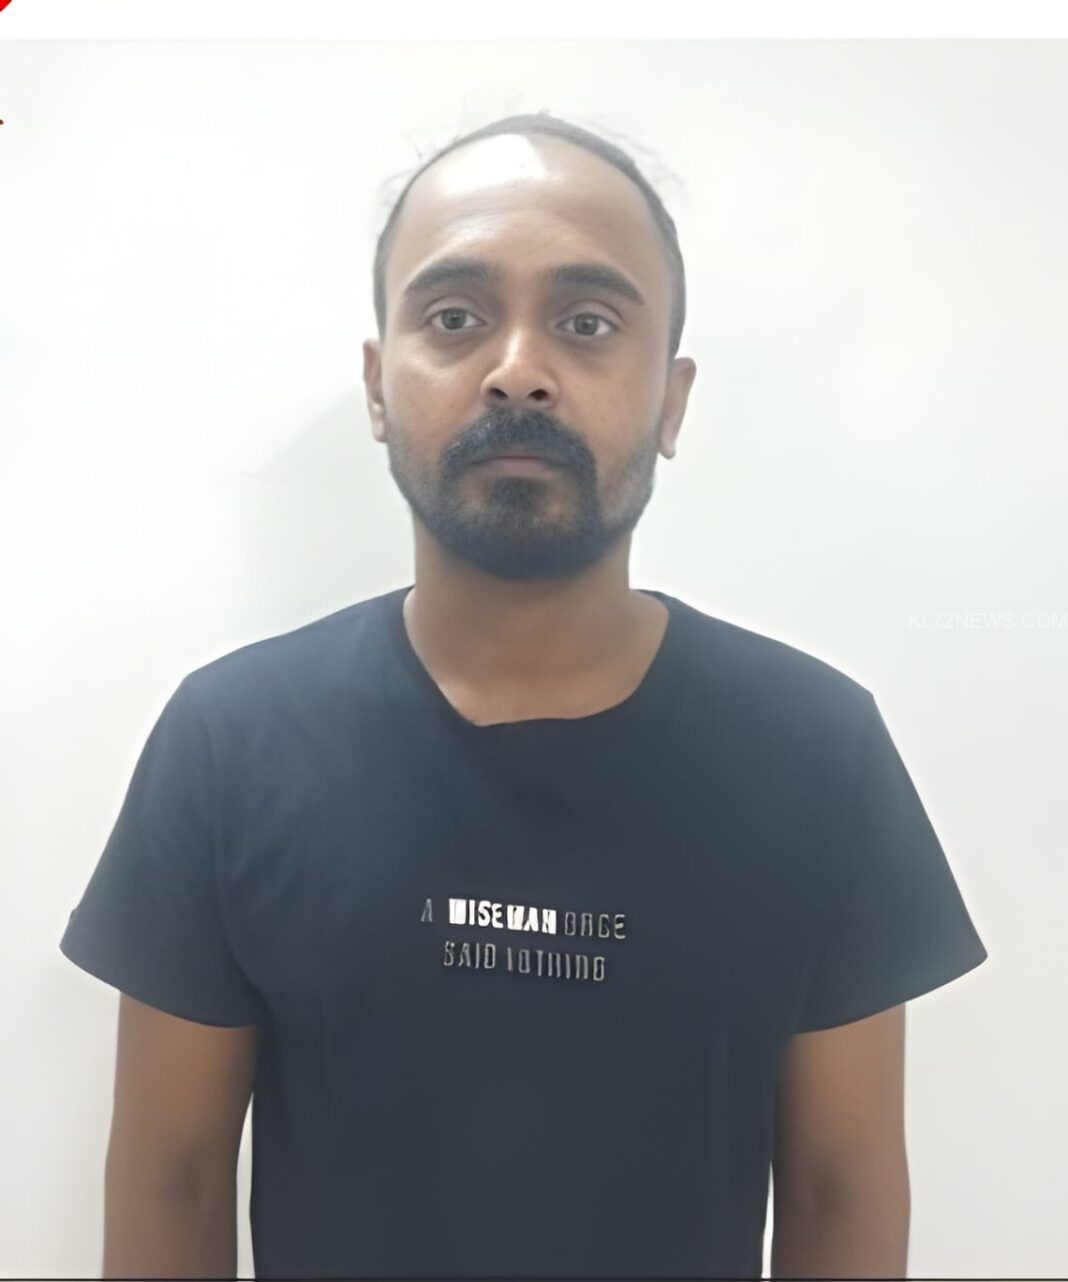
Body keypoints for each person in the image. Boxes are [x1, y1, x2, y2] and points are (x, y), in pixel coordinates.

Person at [60, 111, 988, 1281]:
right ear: (377, 386)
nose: (517, 368)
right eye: (454, 317)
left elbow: (837, 1188)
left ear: (672, 400)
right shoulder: (229, 741)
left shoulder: (818, 753)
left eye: (587, 322)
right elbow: (173, 1177)